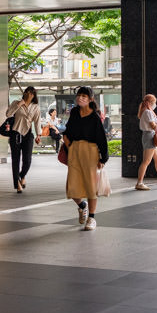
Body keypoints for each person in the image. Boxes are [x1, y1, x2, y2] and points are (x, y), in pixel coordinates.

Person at [62, 86, 109, 230]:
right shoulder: (75, 112)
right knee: (72, 186)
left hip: (90, 151)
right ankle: (82, 206)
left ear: (90, 99)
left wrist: (103, 158)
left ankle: (92, 218)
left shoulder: (95, 116)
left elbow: (101, 138)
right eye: (79, 95)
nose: (80, 98)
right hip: (74, 150)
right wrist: (66, 139)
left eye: (84, 96)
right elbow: (68, 129)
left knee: (90, 186)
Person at [4, 86, 41, 193]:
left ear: (34, 95)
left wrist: (39, 135)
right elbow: (8, 114)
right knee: (15, 160)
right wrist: (19, 105)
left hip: (28, 135)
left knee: (27, 160)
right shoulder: (16, 102)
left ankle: (21, 176)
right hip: (15, 133)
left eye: (31, 93)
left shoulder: (35, 107)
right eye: (27, 92)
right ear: (24, 93)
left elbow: (37, 122)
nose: (28, 94)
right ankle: (17, 184)